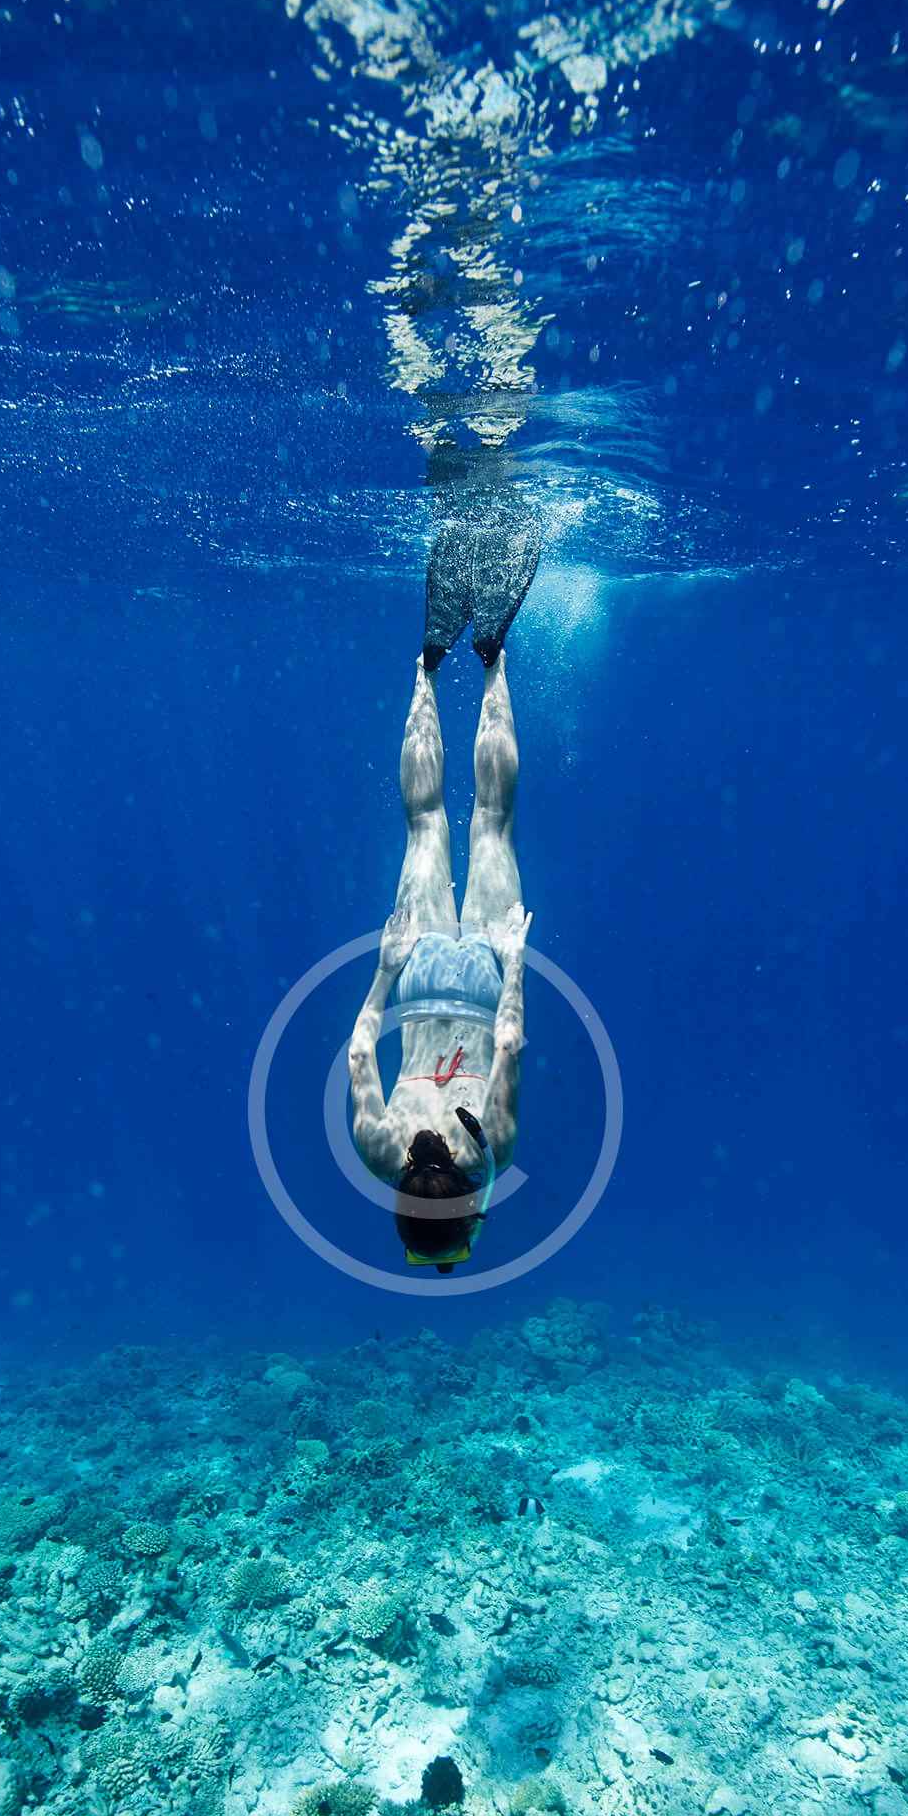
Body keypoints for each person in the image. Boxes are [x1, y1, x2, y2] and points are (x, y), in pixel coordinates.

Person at [348, 502, 541, 1272]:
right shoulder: (375, 1152)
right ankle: (427, 667)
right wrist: (386, 967)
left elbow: (508, 1043)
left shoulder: (493, 1151)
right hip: (420, 974)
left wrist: (515, 960)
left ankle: (492, 658)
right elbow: (359, 1053)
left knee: (491, 823)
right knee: (425, 823)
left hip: (485, 978)